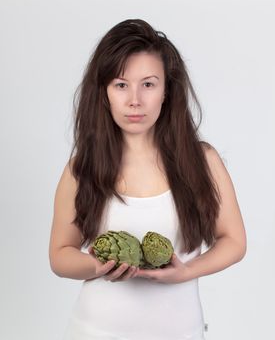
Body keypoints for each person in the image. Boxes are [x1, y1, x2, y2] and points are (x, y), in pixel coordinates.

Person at [49, 18, 247, 340]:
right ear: (104, 93)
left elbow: (234, 241)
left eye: (149, 84)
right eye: (121, 85)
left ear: (167, 91)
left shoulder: (202, 162)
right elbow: (60, 254)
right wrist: (98, 267)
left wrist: (184, 272)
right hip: (93, 331)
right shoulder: (81, 168)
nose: (135, 101)